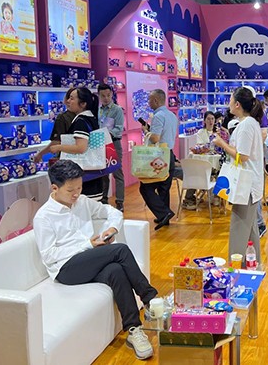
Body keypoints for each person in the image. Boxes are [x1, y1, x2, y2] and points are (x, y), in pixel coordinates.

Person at [32, 160, 157, 361]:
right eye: (70, 190)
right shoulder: (44, 217)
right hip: (66, 270)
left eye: (79, 188)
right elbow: (49, 255)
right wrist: (88, 245)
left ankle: (134, 330)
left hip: (89, 261)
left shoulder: (82, 201)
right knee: (120, 251)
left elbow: (112, 211)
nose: (76, 194)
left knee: (116, 270)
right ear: (54, 188)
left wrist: (112, 229)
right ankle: (150, 299)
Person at [212, 87, 264, 267]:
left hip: (245, 185)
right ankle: (253, 266)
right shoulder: (249, 123)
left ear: (237, 104)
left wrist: (222, 143)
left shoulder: (246, 125)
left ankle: (235, 271)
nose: (228, 103)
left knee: (239, 229)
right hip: (249, 183)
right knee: (250, 230)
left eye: (230, 99)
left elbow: (242, 156)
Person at [50, 87, 103, 201]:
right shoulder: (91, 118)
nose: (68, 101)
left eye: (72, 98)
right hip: (94, 176)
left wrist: (58, 147)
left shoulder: (81, 121)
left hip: (85, 178)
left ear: (83, 104)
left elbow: (80, 147)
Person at [139, 89, 178, 230]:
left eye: (149, 100)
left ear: (155, 100)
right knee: (164, 187)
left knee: (146, 187)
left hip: (159, 156)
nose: (148, 102)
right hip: (169, 154)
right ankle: (163, 217)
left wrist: (146, 131)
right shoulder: (172, 115)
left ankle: (164, 213)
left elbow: (155, 138)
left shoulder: (158, 116)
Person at [98, 83, 125, 211]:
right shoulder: (98, 110)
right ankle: (103, 199)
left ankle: (120, 201)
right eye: (103, 96)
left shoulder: (117, 110)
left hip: (114, 143)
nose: (106, 98)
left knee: (117, 173)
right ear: (99, 96)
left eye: (108, 95)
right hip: (100, 144)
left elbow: (119, 129)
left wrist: (106, 134)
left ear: (112, 94)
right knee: (102, 173)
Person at [34, 88, 76, 163]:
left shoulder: (62, 117)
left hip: (66, 158)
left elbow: (56, 142)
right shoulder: (87, 116)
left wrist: (40, 154)